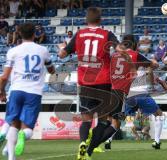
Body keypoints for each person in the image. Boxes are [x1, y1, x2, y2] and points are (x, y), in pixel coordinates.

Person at [58, 7, 119, 160]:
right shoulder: (107, 34)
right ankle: (89, 152)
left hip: (85, 82)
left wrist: (62, 48)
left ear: (87, 20)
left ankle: (82, 145)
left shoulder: (79, 34)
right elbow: (118, 49)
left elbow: (62, 54)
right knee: (103, 120)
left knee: (86, 118)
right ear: (100, 20)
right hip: (103, 82)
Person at [0, 23, 55, 160]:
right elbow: (52, 70)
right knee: (27, 129)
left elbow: (4, 76)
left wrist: (1, 91)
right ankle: (23, 135)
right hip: (34, 92)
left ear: (19, 34)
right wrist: (50, 68)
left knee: (14, 124)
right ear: (34, 34)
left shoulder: (13, 51)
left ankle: (11, 157)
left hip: (17, 90)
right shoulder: (43, 50)